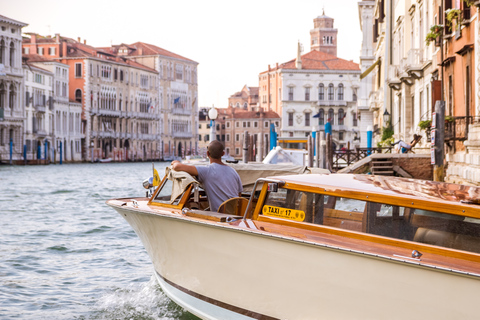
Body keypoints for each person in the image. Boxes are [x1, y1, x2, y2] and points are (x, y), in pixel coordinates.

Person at [171, 140, 243, 212]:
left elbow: (177, 167)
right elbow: (239, 196)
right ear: (223, 154)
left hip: (220, 217)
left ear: (207, 154)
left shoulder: (207, 171)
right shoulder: (234, 172)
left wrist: (175, 162)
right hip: (236, 215)